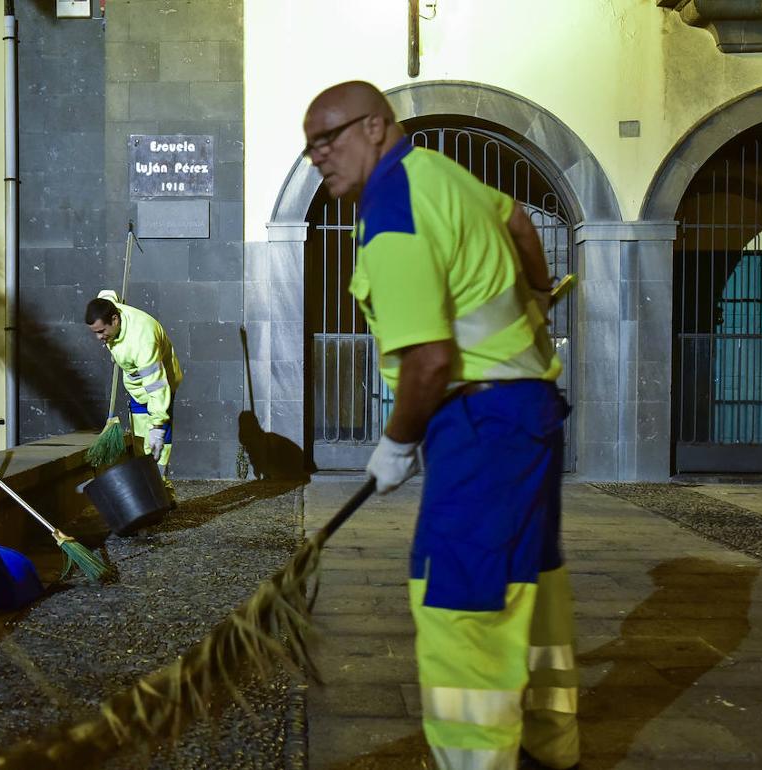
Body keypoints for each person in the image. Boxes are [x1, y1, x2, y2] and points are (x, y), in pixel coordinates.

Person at [302, 81, 579, 770]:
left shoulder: (392, 212)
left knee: (461, 597)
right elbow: (517, 219)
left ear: (374, 127)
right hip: (528, 413)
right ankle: (550, 746)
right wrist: (538, 295)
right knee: (530, 583)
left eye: (327, 138)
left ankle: (474, 760)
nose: (317, 157)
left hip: (479, 422)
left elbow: (429, 361)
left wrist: (394, 446)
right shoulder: (439, 173)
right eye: (310, 146)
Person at [85, 291, 182, 490]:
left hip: (160, 386)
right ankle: (146, 486)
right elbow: (108, 295)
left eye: (102, 331)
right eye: (95, 332)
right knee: (140, 440)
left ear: (115, 319)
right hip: (136, 387)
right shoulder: (112, 311)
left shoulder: (142, 341)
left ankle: (162, 491)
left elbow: (156, 386)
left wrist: (157, 425)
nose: (99, 337)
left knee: (156, 443)